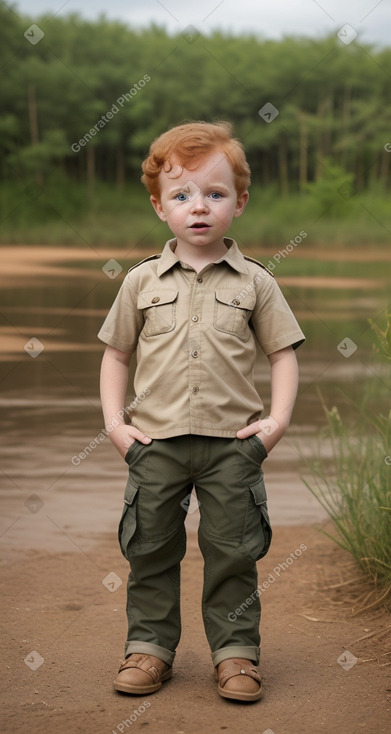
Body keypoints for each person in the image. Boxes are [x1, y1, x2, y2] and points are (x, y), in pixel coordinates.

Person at [98, 120, 305, 702]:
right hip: (155, 445)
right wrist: (116, 426)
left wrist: (276, 423)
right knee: (150, 550)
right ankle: (149, 650)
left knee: (233, 553)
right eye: (181, 195)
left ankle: (236, 654)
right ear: (159, 206)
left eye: (214, 194)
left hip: (232, 445)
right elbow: (116, 355)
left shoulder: (257, 282)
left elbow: (282, 355)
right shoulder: (139, 281)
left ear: (238, 202)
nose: (199, 207)